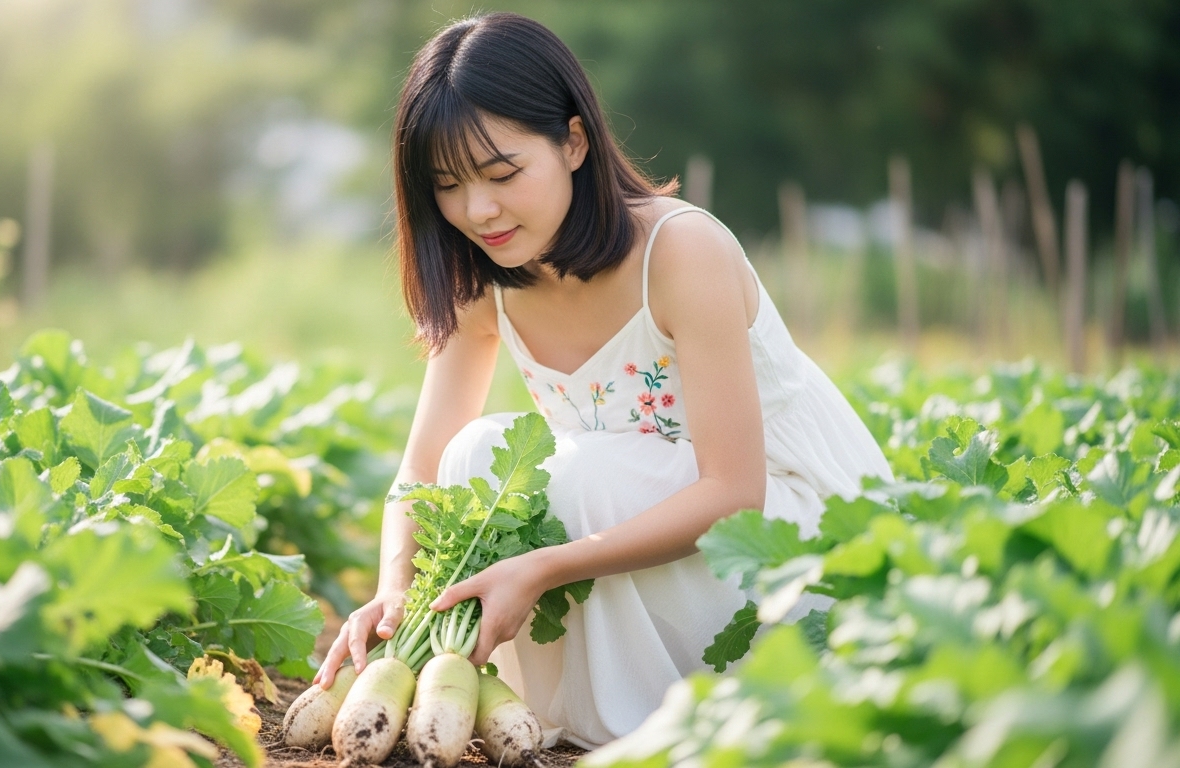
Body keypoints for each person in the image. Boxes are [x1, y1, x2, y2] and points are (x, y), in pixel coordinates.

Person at [313, 11, 892, 748]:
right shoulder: (484, 282)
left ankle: (647, 731)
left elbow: (733, 495)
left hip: (787, 545)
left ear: (574, 142)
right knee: (474, 458)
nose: (477, 210)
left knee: (583, 474)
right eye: (448, 186)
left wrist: (541, 568)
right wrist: (393, 591)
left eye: (502, 173)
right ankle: (573, 725)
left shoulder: (681, 252)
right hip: (641, 527)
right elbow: (421, 472)